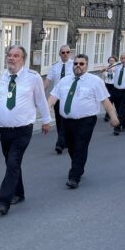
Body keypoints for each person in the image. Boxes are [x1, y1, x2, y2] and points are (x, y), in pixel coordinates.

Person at [0, 45, 51, 215]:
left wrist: (46, 120)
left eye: (16, 56)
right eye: (9, 55)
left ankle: (3, 202)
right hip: (4, 130)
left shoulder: (33, 77)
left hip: (23, 129)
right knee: (11, 163)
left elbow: (41, 100)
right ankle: (19, 193)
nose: (11, 58)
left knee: (13, 162)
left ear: (23, 59)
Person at [47, 54, 119, 188]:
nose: (78, 66)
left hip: (86, 121)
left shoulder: (95, 81)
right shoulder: (65, 80)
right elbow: (52, 97)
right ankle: (78, 167)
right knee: (71, 147)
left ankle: (74, 176)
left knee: (80, 146)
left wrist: (113, 117)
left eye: (81, 64)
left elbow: (105, 101)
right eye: (76, 64)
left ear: (87, 65)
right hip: (66, 120)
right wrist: (46, 113)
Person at [44, 45, 73, 153]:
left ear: (70, 53)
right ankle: (63, 140)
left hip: (70, 97)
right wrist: (40, 93)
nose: (65, 54)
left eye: (67, 52)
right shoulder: (55, 67)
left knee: (67, 120)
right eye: (63, 52)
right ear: (59, 54)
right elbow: (48, 80)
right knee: (59, 121)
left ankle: (60, 143)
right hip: (57, 97)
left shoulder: (75, 65)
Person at [102, 55, 118, 122]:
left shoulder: (116, 66)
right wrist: (104, 71)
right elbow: (105, 76)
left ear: (115, 60)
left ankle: (108, 115)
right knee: (108, 99)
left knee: (110, 100)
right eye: (110, 60)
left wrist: (108, 70)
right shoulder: (107, 67)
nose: (111, 61)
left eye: (112, 60)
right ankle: (109, 114)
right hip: (107, 84)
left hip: (113, 85)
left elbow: (114, 73)